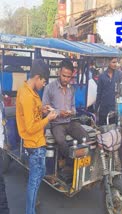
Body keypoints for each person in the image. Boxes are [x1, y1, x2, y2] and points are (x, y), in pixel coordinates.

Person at [16, 59, 58, 214]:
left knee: (39, 173)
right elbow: (30, 127)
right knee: (34, 181)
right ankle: (30, 210)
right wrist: (48, 119)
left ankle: (32, 203)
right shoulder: (27, 96)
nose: (44, 85)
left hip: (38, 143)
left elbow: (33, 113)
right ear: (37, 77)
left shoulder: (30, 92)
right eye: (44, 81)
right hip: (34, 144)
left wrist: (42, 109)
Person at [42, 59, 90, 159]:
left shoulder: (71, 89)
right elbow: (44, 110)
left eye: (69, 77)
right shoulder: (49, 88)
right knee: (61, 141)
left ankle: (81, 161)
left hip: (69, 121)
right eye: (64, 76)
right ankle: (70, 162)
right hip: (56, 124)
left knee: (86, 137)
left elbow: (73, 107)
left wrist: (72, 112)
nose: (66, 79)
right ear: (59, 72)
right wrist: (59, 113)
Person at [95, 57, 122, 126]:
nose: (115, 64)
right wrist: (96, 109)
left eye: (116, 62)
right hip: (103, 108)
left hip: (113, 107)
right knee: (103, 129)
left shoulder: (118, 75)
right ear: (108, 63)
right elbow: (99, 93)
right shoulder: (102, 76)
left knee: (114, 129)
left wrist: (118, 93)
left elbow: (119, 89)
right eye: (113, 62)